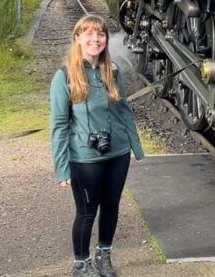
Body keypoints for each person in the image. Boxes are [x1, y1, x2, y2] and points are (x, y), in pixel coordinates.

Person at [50, 14, 145, 277]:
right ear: (78, 38)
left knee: (111, 207)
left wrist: (135, 147)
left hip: (118, 153)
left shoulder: (111, 71)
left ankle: (104, 255)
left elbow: (124, 110)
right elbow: (59, 126)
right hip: (84, 158)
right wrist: (61, 169)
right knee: (86, 212)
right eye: (89, 34)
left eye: (100, 34)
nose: (95, 39)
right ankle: (81, 264)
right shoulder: (64, 77)